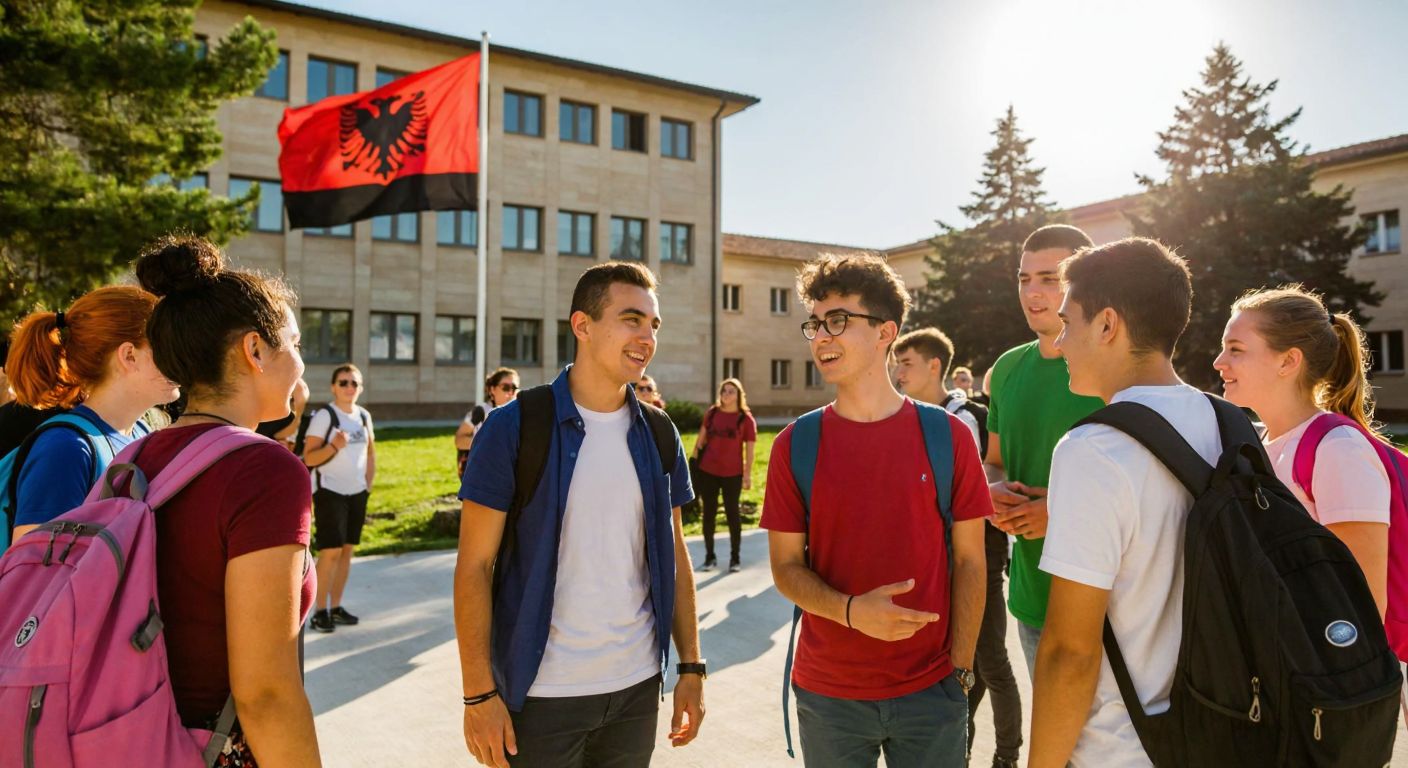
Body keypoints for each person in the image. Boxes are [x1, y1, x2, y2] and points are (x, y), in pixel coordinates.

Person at [454, 261, 703, 768]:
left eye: (653, 324)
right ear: (583, 326)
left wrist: (692, 666)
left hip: (635, 691)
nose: (647, 336)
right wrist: (478, 695)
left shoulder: (658, 433)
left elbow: (674, 552)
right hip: (542, 695)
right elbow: (474, 567)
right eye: (631, 318)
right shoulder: (513, 428)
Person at [762, 253, 990, 767]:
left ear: (886, 331)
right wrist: (850, 611)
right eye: (815, 324)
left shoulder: (947, 436)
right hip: (828, 697)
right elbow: (785, 568)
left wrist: (962, 669)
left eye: (838, 321)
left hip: (933, 691)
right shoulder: (795, 445)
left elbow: (971, 562)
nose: (822, 336)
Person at [132, 234, 320, 766]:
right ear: (254, 350)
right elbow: (265, 693)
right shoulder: (263, 470)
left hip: (132, 738)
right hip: (210, 748)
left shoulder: (136, 458)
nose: (302, 366)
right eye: (295, 344)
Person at [1030, 237, 1214, 767]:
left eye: (1069, 323)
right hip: (1223, 730)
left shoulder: (1094, 450)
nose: (1061, 342)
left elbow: (1071, 652)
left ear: (1108, 325)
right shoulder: (1230, 424)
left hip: (1122, 749)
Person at [894, 327, 1021, 768]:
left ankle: (1006, 757)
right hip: (948, 554)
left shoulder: (960, 418)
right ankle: (961, 748)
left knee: (992, 663)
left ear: (934, 366)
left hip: (977, 554)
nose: (898, 372)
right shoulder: (922, 417)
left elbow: (954, 495)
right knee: (970, 661)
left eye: (906, 363)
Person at [984, 224, 1103, 680]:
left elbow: (1150, 485)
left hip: (1109, 606)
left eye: (1050, 278)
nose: (1033, 292)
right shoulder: (1008, 367)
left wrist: (1060, 513)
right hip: (1032, 599)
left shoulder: (1114, 369)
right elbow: (993, 460)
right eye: (1024, 278)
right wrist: (992, 491)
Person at [7, 286, 180, 540]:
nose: (180, 358)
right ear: (129, 355)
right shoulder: (65, 449)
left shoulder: (142, 432)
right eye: (167, 346)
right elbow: (33, 572)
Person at [303, 363, 375, 633]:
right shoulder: (325, 416)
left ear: (361, 388)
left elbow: (370, 453)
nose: (349, 387)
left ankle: (336, 606)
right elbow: (310, 457)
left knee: (347, 551)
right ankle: (320, 611)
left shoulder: (364, 416)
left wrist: (367, 484)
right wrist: (334, 445)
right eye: (343, 382)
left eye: (354, 383)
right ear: (333, 387)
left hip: (357, 492)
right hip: (329, 491)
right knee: (330, 552)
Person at [693, 377, 757, 573]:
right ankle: (709, 557)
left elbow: (750, 451)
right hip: (708, 471)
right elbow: (700, 441)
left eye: (731, 391)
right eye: (724, 391)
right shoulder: (712, 413)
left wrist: (747, 475)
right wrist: (694, 462)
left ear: (739, 395)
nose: (726, 394)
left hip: (732, 473)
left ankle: (734, 559)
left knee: (732, 514)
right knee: (709, 514)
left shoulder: (745, 419)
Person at [455, 367, 520, 477]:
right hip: (482, 474)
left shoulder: (520, 413)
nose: (510, 392)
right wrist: (488, 444)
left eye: (514, 388)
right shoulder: (481, 411)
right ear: (492, 389)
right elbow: (459, 440)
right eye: (506, 387)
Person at [256, 378, 310, 452]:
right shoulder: (273, 416)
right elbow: (275, 435)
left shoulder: (304, 421)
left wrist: (300, 410)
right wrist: (299, 411)